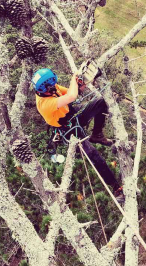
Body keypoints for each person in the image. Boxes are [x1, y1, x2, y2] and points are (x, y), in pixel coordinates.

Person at [32, 68, 124, 202]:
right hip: (68, 130)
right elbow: (71, 97)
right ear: (43, 88)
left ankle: (97, 134)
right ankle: (116, 187)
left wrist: (81, 82)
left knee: (101, 102)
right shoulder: (44, 104)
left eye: (53, 85)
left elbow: (71, 93)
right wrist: (74, 77)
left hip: (74, 115)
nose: (53, 88)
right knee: (93, 154)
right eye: (50, 87)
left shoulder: (50, 87)